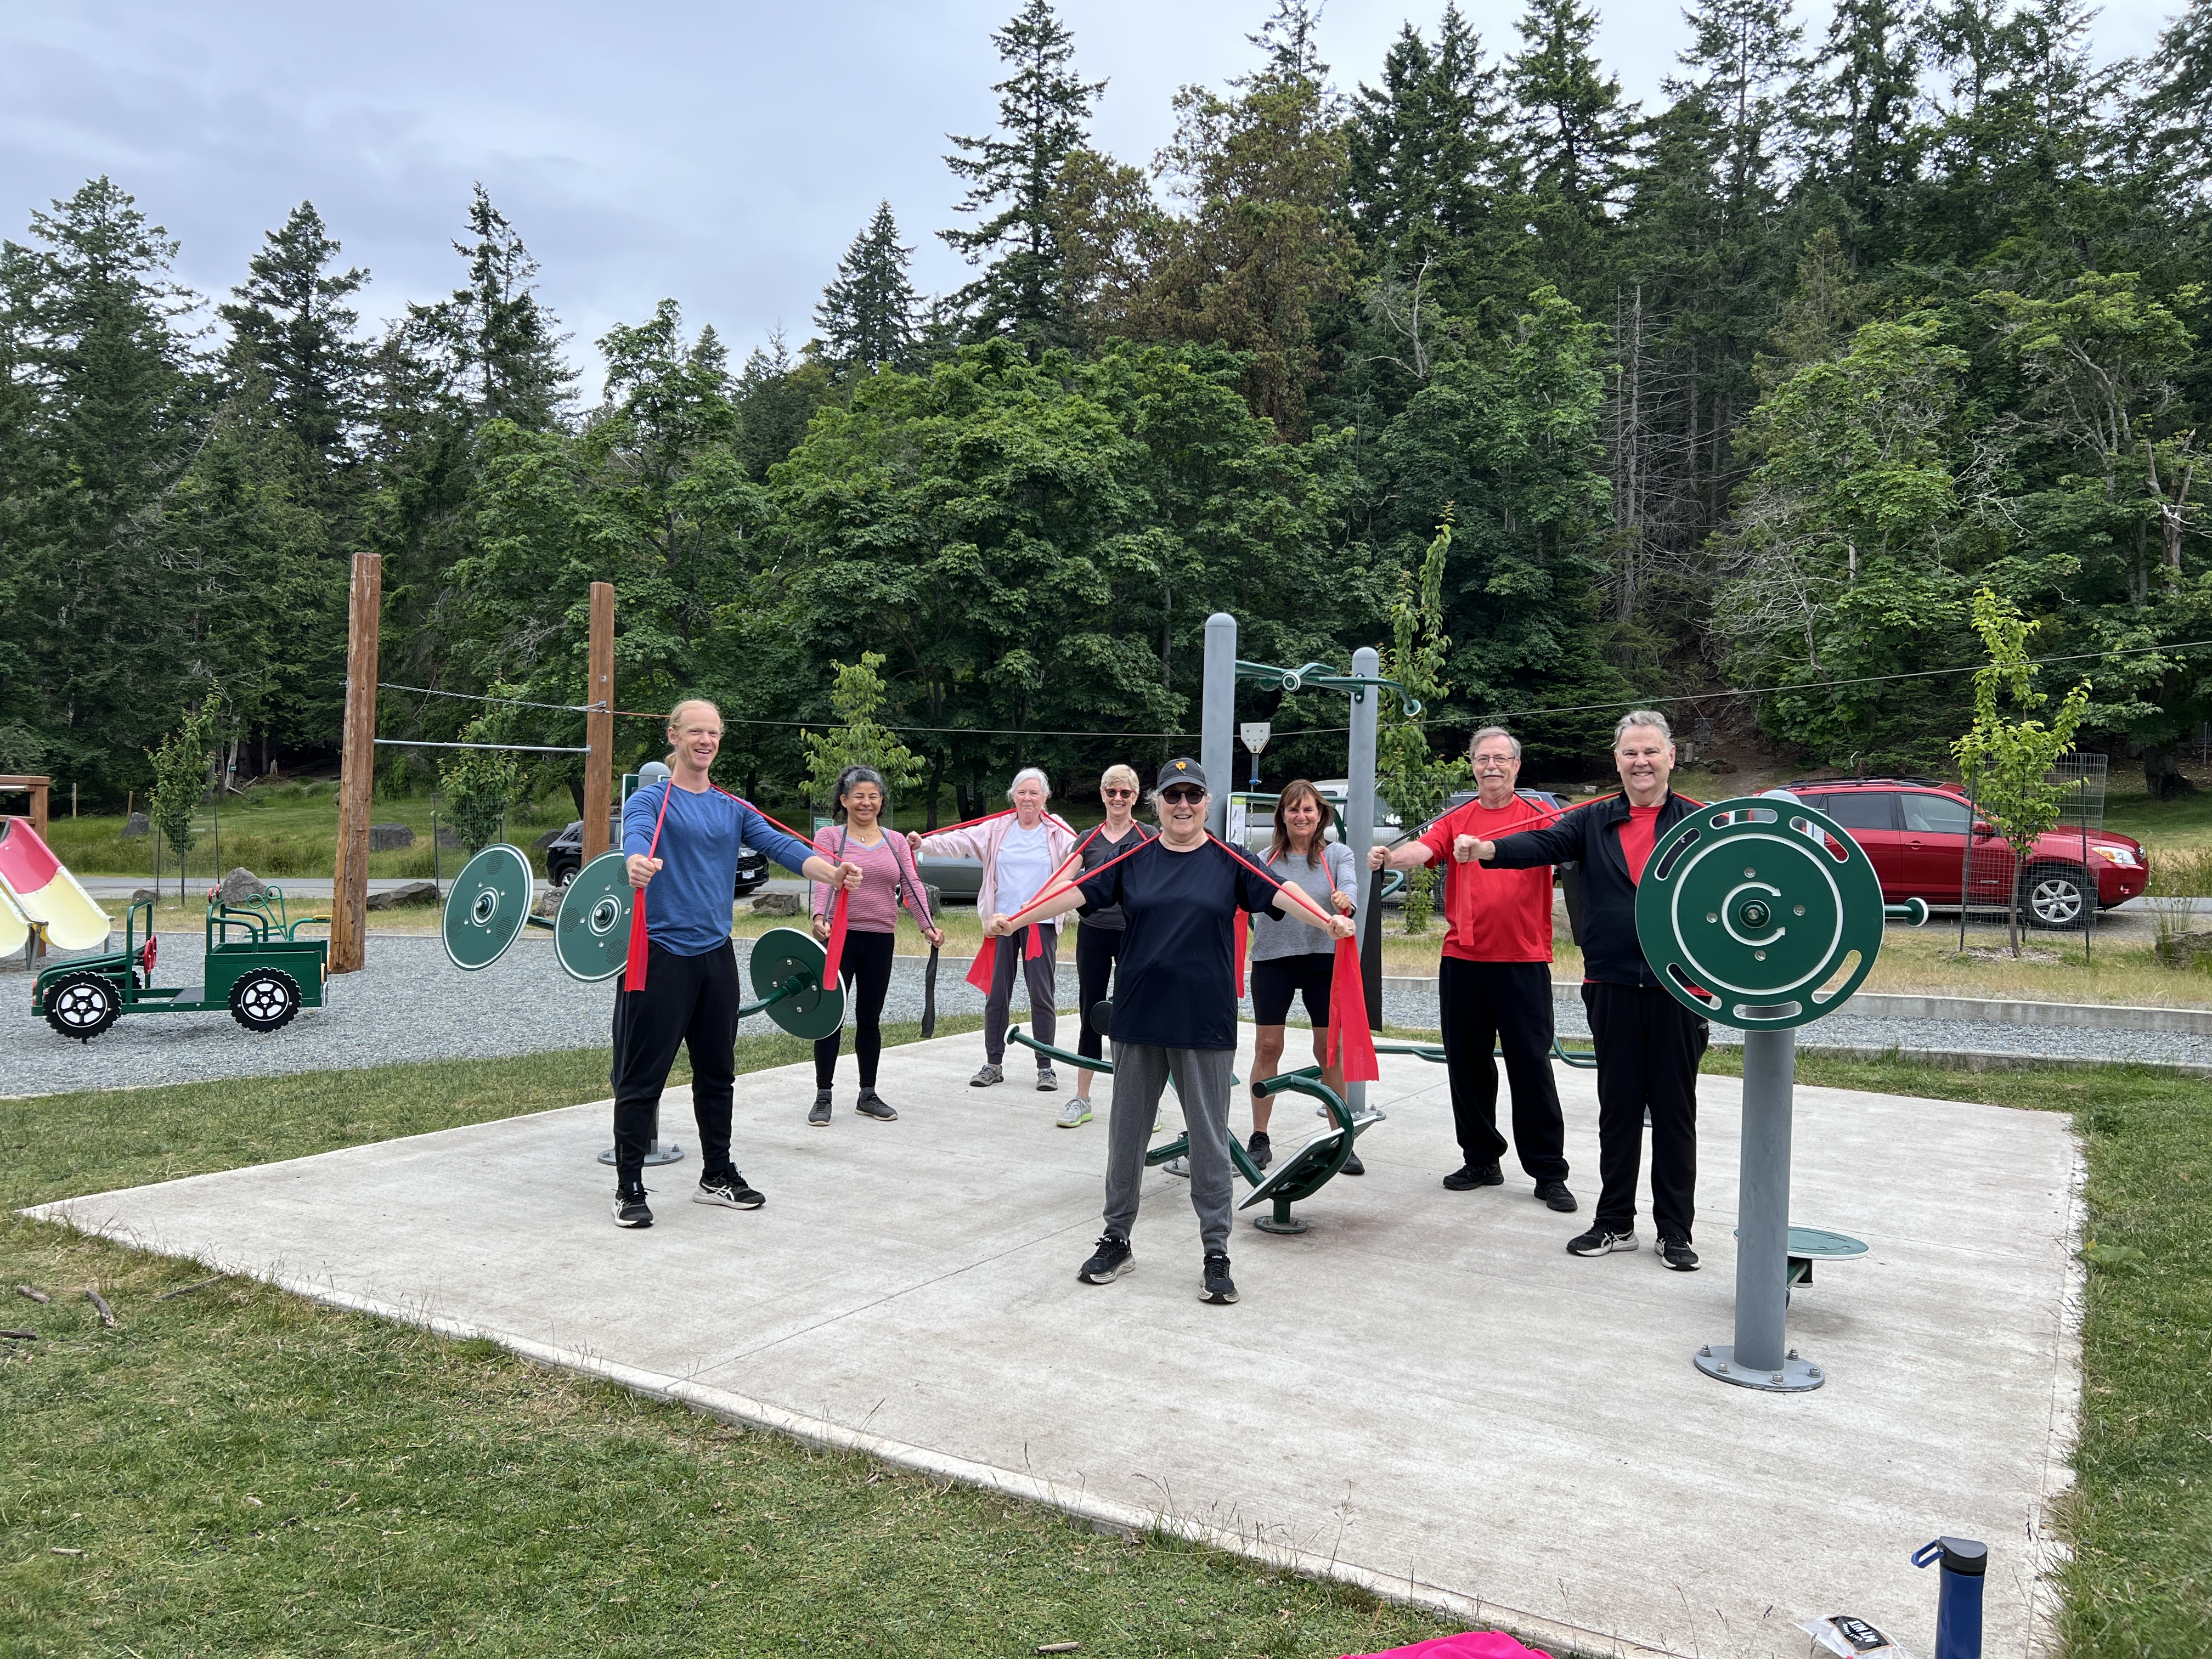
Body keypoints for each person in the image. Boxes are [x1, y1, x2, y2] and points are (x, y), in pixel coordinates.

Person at [985, 758, 1355, 1306]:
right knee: (1127, 1135)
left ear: (1207, 803)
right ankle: (1116, 1239)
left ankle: (1215, 1251)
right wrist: (1017, 919)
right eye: (1174, 796)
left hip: (1204, 1021)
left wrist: (1326, 921)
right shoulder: (1134, 857)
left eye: (1194, 796)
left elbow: (1280, 893)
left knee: (1209, 1141)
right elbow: (1078, 892)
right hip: (1139, 1016)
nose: (1184, 805)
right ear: (1157, 802)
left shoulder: (1230, 860)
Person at [1460, 711, 1706, 1270]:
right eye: (1629, 754)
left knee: (1673, 1112)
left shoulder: (1698, 823)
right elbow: (1538, 844)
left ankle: (1675, 1232)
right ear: (1616, 761)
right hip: (1611, 984)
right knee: (1618, 1110)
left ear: (1671, 757)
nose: (1640, 762)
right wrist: (1487, 851)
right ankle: (1616, 1222)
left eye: (1650, 752)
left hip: (1678, 988)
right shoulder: (1593, 820)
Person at [616, 699, 861, 1229]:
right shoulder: (653, 800)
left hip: (715, 956)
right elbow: (635, 835)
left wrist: (832, 873)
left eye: (714, 733)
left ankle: (717, 1174)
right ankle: (629, 1186)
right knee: (643, 1077)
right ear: (674, 734)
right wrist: (635, 861)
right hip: (660, 955)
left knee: (718, 1074)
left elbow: (783, 846)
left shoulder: (732, 807)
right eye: (696, 732)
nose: (706, 741)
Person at [1370, 727, 1576, 1212]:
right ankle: (1482, 1158)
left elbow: (1566, 850)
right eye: (1483, 759)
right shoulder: (1458, 817)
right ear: (1473, 765)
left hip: (1523, 960)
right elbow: (1424, 851)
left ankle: (1549, 1172)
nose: (1492, 767)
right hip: (1463, 959)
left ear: (1517, 766)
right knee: (1467, 1066)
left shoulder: (1539, 816)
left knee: (1531, 1066)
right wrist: (1390, 856)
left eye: (1501, 759)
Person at [909, 768, 1075, 1092]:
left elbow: (1082, 853)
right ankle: (993, 1063)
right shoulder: (998, 828)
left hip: (1039, 923)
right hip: (1000, 923)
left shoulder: (1057, 830)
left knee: (1042, 995)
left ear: (1045, 797)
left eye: (1034, 793)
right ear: (1013, 796)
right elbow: (960, 841)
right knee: (997, 994)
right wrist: (925, 844)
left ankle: (1045, 1066)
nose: (1028, 799)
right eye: (1022, 792)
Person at [809, 764, 945, 1126]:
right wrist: (819, 919)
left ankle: (867, 1094)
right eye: (858, 796)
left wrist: (927, 927)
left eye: (873, 796)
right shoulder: (831, 839)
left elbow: (912, 885)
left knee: (869, 1019)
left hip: (880, 938)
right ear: (844, 800)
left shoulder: (895, 841)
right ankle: (824, 1096)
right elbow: (823, 881)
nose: (866, 803)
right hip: (839, 937)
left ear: (881, 801)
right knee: (830, 1019)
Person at [1245, 780, 1358, 1174]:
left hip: (1324, 961)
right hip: (1274, 960)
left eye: (1308, 809)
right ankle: (1260, 1137)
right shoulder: (1266, 858)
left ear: (1321, 814)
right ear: (1283, 816)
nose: (1302, 816)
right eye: (1293, 810)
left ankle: (1340, 1136)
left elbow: (1349, 890)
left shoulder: (1339, 854)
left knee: (1330, 1049)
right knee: (1267, 1047)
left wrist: (1346, 902)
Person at [1061, 764, 1155, 1128]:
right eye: (1112, 792)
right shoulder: (1087, 838)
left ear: (1135, 796)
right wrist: (1031, 906)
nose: (1118, 799)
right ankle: (1082, 1098)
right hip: (1094, 932)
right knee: (1091, 1011)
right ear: (1102, 794)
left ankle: (1147, 1103)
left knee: (1137, 1014)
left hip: (1136, 933)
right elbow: (1063, 881)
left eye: (1126, 793)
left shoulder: (1148, 835)